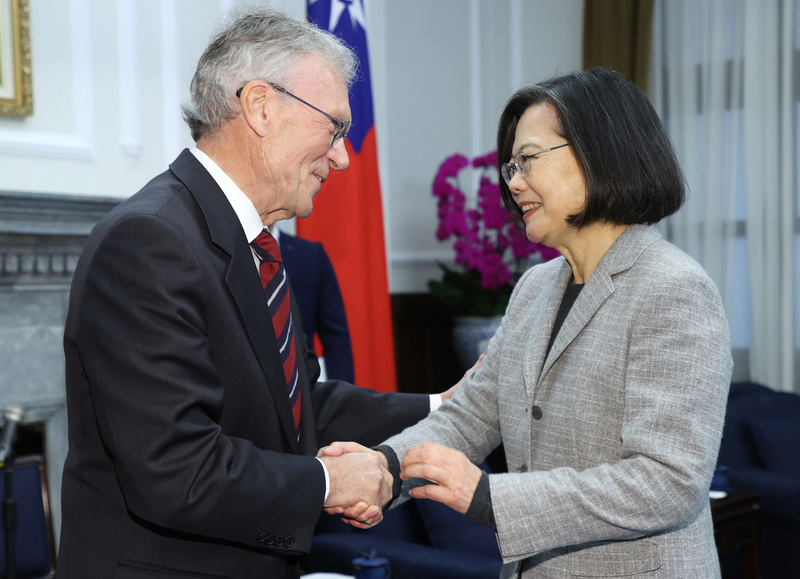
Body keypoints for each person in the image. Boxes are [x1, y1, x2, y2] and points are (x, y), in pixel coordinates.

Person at [56, 7, 451, 578]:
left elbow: (294, 405)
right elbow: (176, 470)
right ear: (261, 107)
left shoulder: (249, 240)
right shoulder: (149, 241)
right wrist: (328, 483)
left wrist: (447, 403)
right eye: (334, 127)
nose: (342, 155)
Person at [323, 68, 733, 577]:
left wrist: (490, 498)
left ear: (599, 153)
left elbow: (667, 482)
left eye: (529, 160)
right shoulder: (535, 288)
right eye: (510, 166)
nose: (513, 182)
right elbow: (471, 415)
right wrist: (384, 468)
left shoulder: (672, 289)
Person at [273, 224, 355, 382]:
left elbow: (336, 338)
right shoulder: (227, 251)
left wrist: (342, 397)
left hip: (302, 388)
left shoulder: (310, 255)